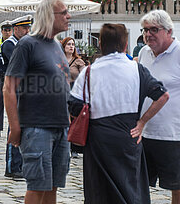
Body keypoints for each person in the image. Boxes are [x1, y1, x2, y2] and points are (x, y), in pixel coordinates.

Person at [69, 23, 169, 203]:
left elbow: (74, 105)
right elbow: (162, 96)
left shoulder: (90, 72)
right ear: (125, 45)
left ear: (100, 44)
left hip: (98, 137)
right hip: (128, 135)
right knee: (130, 187)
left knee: (99, 190)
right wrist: (142, 122)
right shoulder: (137, 69)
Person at [4, 0, 71, 203]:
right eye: (64, 13)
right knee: (37, 187)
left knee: (52, 187)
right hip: (37, 126)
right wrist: (15, 127)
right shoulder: (28, 44)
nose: (69, 17)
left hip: (60, 126)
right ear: (49, 16)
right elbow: (9, 88)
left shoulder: (57, 45)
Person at [138, 10, 180, 204]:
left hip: (173, 135)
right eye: (145, 30)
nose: (148, 34)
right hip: (144, 133)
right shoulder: (144, 53)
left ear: (168, 31)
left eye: (154, 29)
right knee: (139, 184)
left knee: (177, 187)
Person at [2, 14, 32, 178]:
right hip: (15, 88)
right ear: (16, 29)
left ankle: (20, 164)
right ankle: (12, 166)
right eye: (24, 28)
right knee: (14, 126)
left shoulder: (23, 43)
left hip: (24, 88)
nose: (28, 30)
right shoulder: (9, 44)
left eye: (28, 27)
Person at [61, 37, 85, 158]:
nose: (71, 46)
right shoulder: (59, 60)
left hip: (74, 91)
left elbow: (84, 76)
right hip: (61, 91)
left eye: (73, 44)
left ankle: (74, 148)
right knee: (65, 118)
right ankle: (64, 145)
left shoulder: (78, 62)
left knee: (75, 119)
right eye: (69, 44)